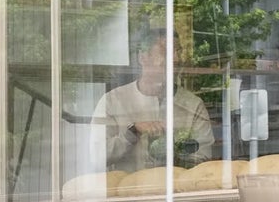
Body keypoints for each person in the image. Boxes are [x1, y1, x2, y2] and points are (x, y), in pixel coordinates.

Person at [89, 32, 215, 172]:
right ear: (143, 57)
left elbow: (203, 159)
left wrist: (177, 153)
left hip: (178, 190)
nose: (176, 58)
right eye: (166, 51)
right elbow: (97, 156)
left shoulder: (193, 105)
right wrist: (132, 133)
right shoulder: (113, 101)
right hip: (127, 191)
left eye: (178, 51)